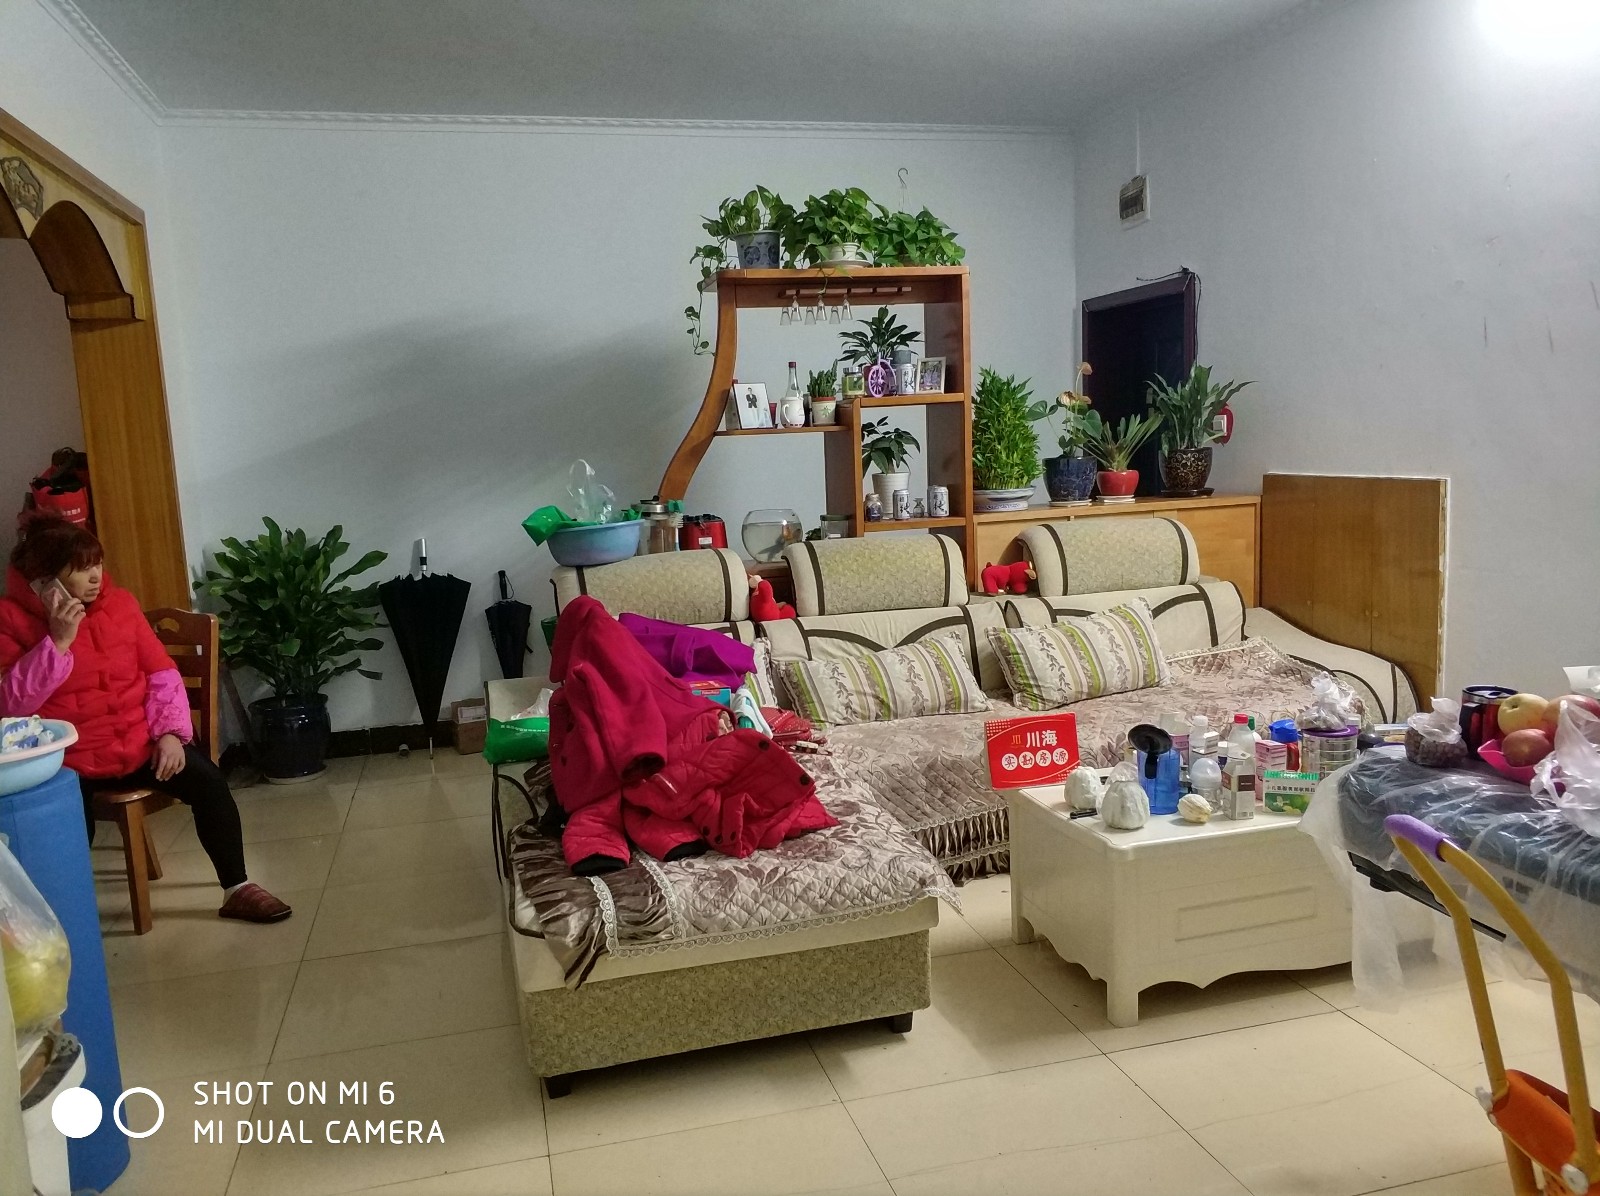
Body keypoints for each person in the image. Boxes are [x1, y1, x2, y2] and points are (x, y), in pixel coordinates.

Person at [0, 518, 291, 922]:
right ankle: (65, 920)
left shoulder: (121, 604)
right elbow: (10, 705)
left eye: (97, 563)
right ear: (46, 580)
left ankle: (237, 889)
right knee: (65, 824)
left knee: (209, 783)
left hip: (139, 746)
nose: (96, 576)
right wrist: (58, 641)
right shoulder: (9, 619)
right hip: (70, 762)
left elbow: (161, 672)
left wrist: (170, 734)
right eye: (81, 568)